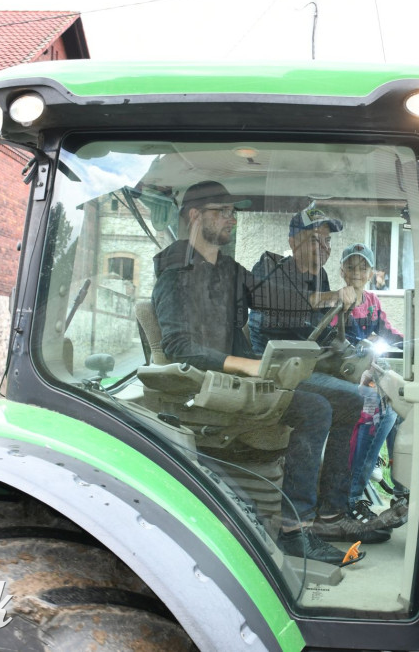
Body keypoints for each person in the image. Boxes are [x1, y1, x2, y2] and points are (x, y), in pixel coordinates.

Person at [151, 181, 379, 566]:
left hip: (243, 380)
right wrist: (253, 366)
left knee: (346, 398)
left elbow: (270, 295)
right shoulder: (176, 275)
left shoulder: (225, 268)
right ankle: (295, 531)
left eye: (232, 212)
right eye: (221, 212)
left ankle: (329, 513)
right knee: (315, 409)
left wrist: (326, 297)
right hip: (209, 387)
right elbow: (179, 348)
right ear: (194, 216)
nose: (231, 219)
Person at [249, 208, 403, 532]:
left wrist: (357, 359)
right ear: (293, 240)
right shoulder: (270, 265)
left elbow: (318, 330)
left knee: (360, 398)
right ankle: (299, 518)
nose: (324, 246)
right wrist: (331, 297)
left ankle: (333, 511)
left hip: (304, 367)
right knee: (327, 405)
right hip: (271, 371)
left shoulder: (318, 277)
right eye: (314, 238)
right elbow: (277, 304)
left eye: (328, 240)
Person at [336, 243, 408, 524]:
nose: (357, 271)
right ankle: (352, 498)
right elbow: (335, 345)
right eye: (351, 266)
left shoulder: (373, 303)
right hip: (345, 374)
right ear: (342, 271)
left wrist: (416, 346)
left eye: (362, 267)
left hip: (370, 370)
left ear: (370, 273)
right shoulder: (337, 301)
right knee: (379, 411)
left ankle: (402, 492)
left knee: (401, 407)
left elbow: (389, 333)